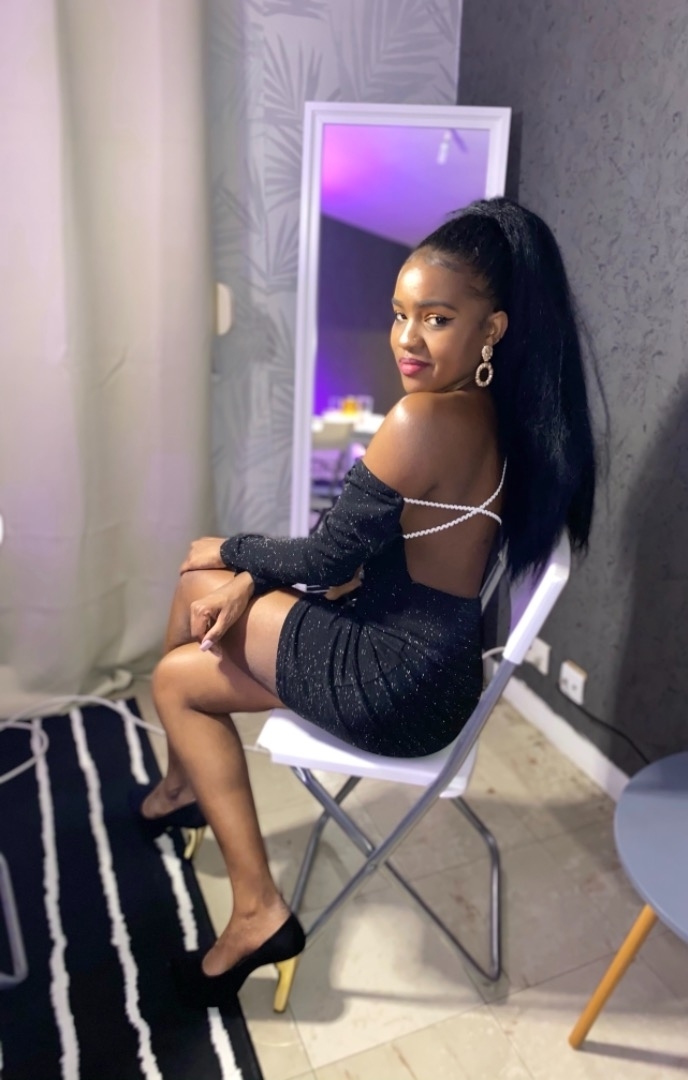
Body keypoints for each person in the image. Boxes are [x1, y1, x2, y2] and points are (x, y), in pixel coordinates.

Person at [133, 197, 596, 1009]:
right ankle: (180, 789)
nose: (407, 338)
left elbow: (326, 559)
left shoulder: (425, 419)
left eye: (437, 319)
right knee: (200, 596)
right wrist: (248, 578)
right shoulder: (494, 414)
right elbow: (362, 558)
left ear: (491, 329)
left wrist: (230, 550)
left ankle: (256, 912)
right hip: (428, 665)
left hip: (397, 679)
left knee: (176, 672)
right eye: (400, 313)